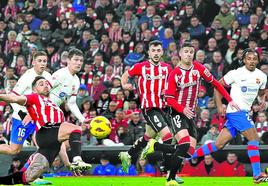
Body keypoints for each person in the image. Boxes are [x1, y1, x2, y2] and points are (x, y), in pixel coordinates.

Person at [141, 42, 239, 186]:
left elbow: (217, 84)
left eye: (191, 52)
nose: (188, 54)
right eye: (186, 51)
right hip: (176, 111)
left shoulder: (199, 68)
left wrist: (230, 100)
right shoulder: (174, 73)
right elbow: (168, 98)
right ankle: (171, 178)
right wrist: (181, 108)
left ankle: (155, 146)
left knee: (189, 151)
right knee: (184, 142)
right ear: (180, 54)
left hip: (190, 114)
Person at [191, 48, 268, 183]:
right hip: (236, 112)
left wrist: (262, 101)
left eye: (254, 59)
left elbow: (261, 93)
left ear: (258, 60)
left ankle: (184, 156)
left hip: (243, 113)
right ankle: (257, 174)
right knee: (254, 139)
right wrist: (219, 105)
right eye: (248, 58)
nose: (251, 61)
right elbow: (218, 86)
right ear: (244, 60)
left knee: (218, 145)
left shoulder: (261, 76)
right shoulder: (235, 73)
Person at [0, 76, 91, 185]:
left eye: (46, 83)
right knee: (76, 128)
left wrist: (68, 165)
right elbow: (14, 99)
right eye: (41, 84)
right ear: (34, 89)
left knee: (28, 177)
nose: (45, 85)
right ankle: (77, 159)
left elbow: (60, 141)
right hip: (45, 132)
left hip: (52, 143)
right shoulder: (34, 98)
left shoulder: (56, 107)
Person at [119, 40, 175, 181]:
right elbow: (125, 76)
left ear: (162, 52)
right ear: (149, 53)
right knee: (167, 137)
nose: (156, 53)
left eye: (158, 51)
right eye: (153, 51)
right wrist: (125, 85)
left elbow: (172, 85)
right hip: (149, 108)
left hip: (163, 108)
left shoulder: (167, 68)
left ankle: (129, 154)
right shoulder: (141, 67)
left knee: (148, 136)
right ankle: (168, 171)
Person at [0, 51, 52, 156]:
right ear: (33, 62)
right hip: (22, 118)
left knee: (44, 147)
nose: (42, 63)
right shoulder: (26, 77)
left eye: (44, 61)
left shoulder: (48, 76)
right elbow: (13, 97)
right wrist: (21, 113)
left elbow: (49, 95)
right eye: (40, 61)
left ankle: (36, 171)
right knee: (14, 150)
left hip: (38, 117)